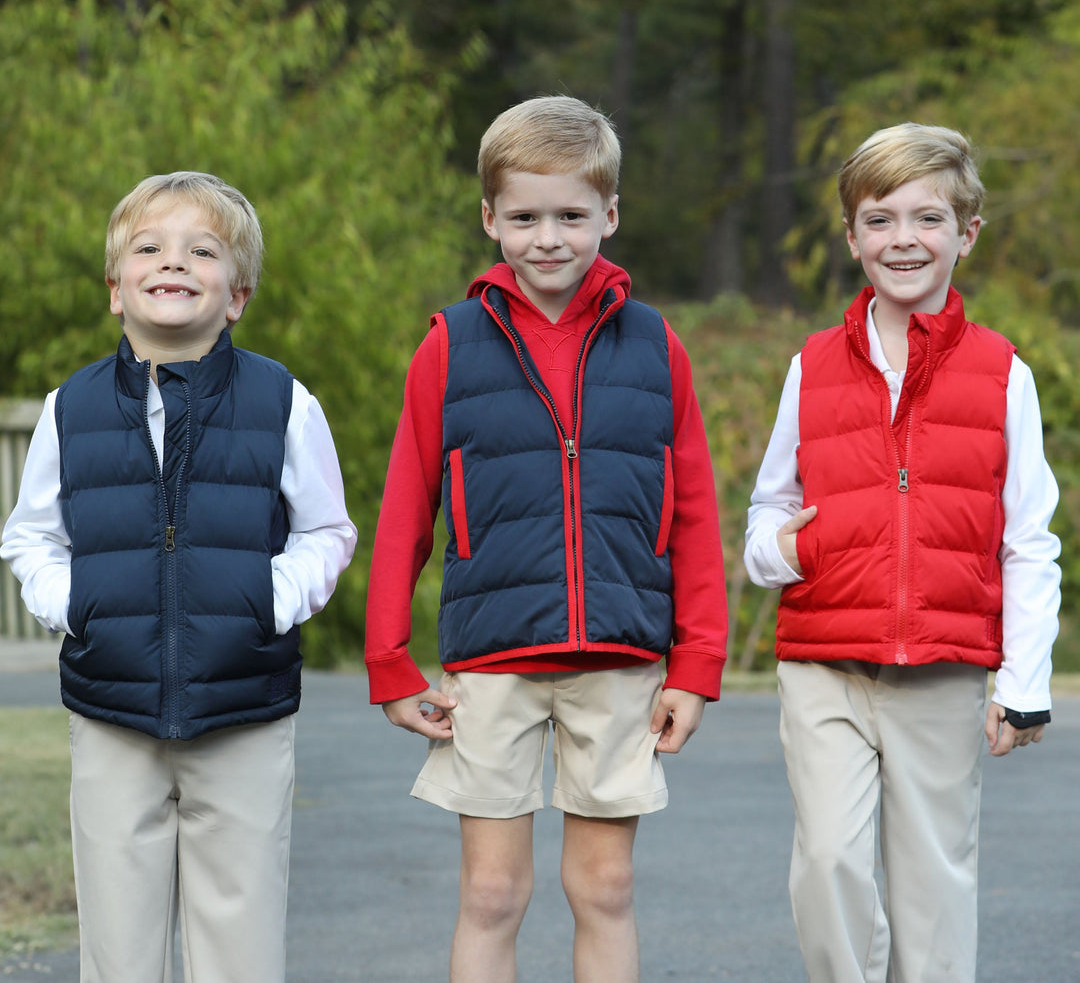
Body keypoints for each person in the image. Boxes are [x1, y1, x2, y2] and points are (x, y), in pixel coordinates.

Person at [365, 96, 727, 983]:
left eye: (571, 215)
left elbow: (694, 514)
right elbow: (407, 507)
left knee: (604, 888)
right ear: (489, 218)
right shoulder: (449, 344)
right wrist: (389, 661)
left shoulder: (656, 346)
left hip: (620, 662)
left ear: (610, 214)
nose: (548, 238)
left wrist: (697, 664)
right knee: (491, 895)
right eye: (523, 217)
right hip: (492, 663)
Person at [1, 171, 357, 983]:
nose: (175, 262)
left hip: (244, 706)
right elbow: (30, 537)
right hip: (112, 708)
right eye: (150, 248)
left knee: (241, 935)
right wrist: (75, 605)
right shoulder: (72, 408)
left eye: (203, 250)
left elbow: (327, 530)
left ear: (237, 294)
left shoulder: (283, 402)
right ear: (115, 290)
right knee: (118, 943)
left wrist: (270, 600)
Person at [744, 123, 1061, 983]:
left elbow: (1029, 539)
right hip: (825, 665)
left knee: (933, 880)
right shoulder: (812, 366)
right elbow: (767, 510)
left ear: (967, 233)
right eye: (879, 220)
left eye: (927, 218)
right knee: (829, 867)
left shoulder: (1004, 374)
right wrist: (783, 551)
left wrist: (1024, 682)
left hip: (945, 669)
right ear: (851, 238)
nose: (903, 240)